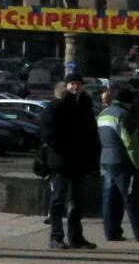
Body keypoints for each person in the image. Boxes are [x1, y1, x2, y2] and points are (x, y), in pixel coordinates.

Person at [42, 72, 101, 251]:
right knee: (58, 200)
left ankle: (76, 237)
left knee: (78, 201)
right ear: (66, 86)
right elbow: (47, 134)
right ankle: (56, 236)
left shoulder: (86, 107)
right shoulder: (56, 106)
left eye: (78, 84)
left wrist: (93, 159)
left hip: (80, 162)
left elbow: (92, 136)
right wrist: (65, 148)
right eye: (72, 84)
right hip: (60, 162)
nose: (75, 87)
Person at [97, 83, 139, 243]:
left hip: (106, 161)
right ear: (129, 101)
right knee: (134, 197)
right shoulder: (124, 116)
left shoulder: (103, 114)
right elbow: (130, 144)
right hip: (124, 162)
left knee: (110, 198)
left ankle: (111, 232)